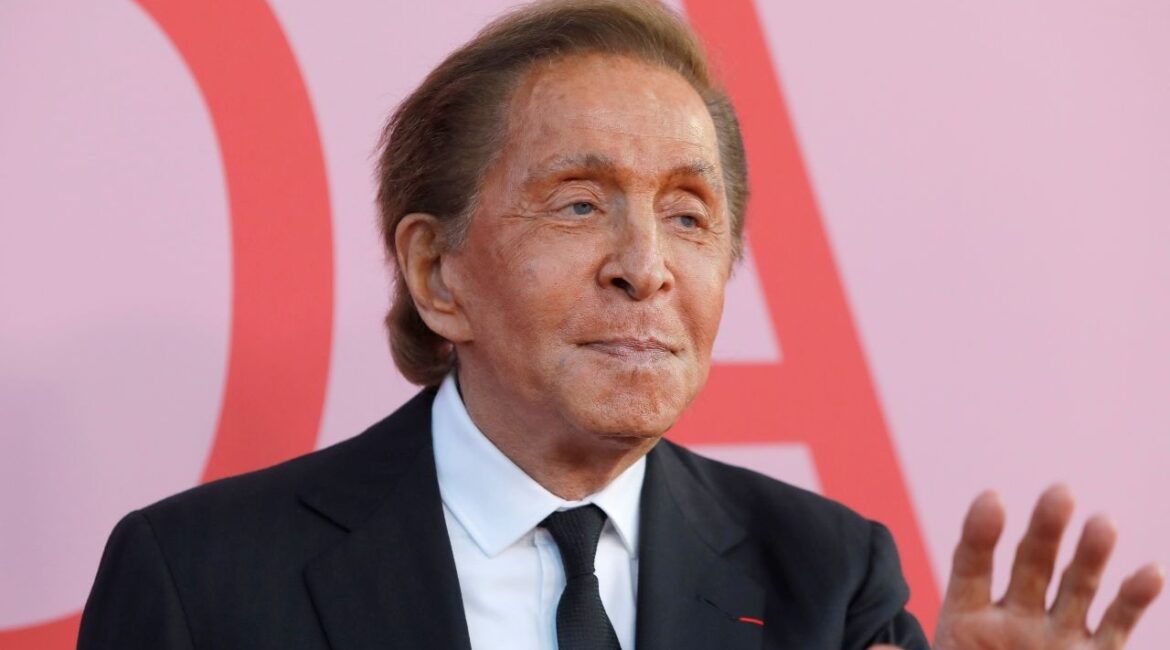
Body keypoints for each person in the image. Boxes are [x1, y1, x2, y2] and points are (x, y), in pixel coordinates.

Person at [78, 1, 1162, 648]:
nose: (647, 268)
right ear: (436, 270)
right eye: (583, 201)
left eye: (689, 216)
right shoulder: (201, 582)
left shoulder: (828, 582)